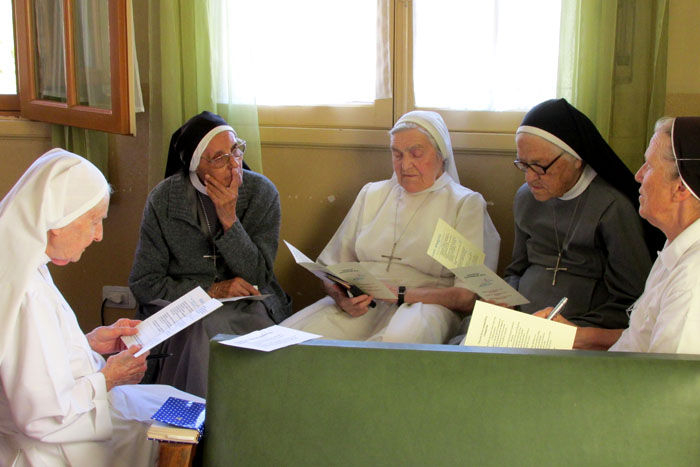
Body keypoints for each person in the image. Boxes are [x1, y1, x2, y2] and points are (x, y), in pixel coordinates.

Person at [0, 149, 201, 466]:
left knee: (183, 403)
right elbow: (42, 418)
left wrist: (86, 342)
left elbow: (29, 355)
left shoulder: (21, 264)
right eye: (93, 221)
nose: (99, 235)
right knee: (185, 426)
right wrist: (109, 377)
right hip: (55, 447)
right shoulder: (28, 292)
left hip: (76, 409)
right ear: (58, 218)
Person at [281, 110, 500, 343]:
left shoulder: (464, 203)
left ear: (441, 154)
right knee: (294, 338)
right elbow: (332, 269)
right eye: (397, 154)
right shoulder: (372, 194)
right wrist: (342, 299)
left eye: (416, 153)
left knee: (398, 342)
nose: (405, 165)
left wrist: (398, 294)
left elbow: (465, 297)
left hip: (427, 308)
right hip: (365, 304)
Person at [129, 111, 291, 397]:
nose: (234, 165)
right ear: (195, 166)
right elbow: (145, 283)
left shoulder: (261, 193)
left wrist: (230, 220)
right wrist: (211, 290)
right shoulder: (164, 200)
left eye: (235, 150)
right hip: (183, 308)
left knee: (256, 339)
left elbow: (259, 276)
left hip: (247, 305)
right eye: (218, 159)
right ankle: (196, 430)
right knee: (201, 330)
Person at [539, 117, 700, 354]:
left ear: (681, 188)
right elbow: (638, 340)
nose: (638, 175)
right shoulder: (676, 245)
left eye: (649, 166)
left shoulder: (692, 280)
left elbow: (668, 384)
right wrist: (572, 336)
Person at [504, 98, 664, 328]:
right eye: (523, 164)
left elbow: (631, 300)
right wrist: (505, 299)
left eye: (540, 167)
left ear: (577, 160)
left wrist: (574, 329)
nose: (529, 178)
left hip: (578, 329)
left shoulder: (612, 208)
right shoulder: (525, 197)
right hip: (518, 320)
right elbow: (515, 270)